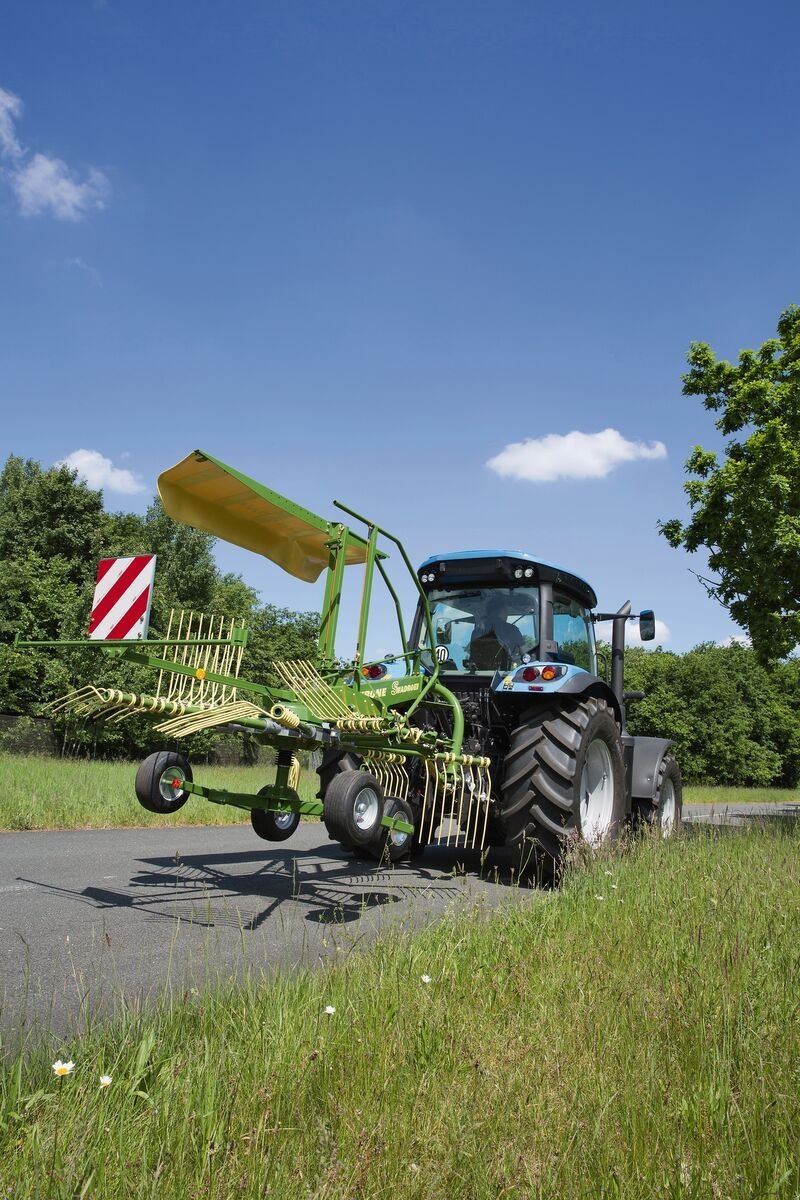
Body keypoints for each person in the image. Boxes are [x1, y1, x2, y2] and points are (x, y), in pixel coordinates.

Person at [468, 593, 524, 668]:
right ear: (502, 610)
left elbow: (472, 656)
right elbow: (525, 652)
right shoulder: (512, 630)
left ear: (489, 612)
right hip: (504, 674)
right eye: (506, 610)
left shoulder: (476, 631)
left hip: (478, 674)